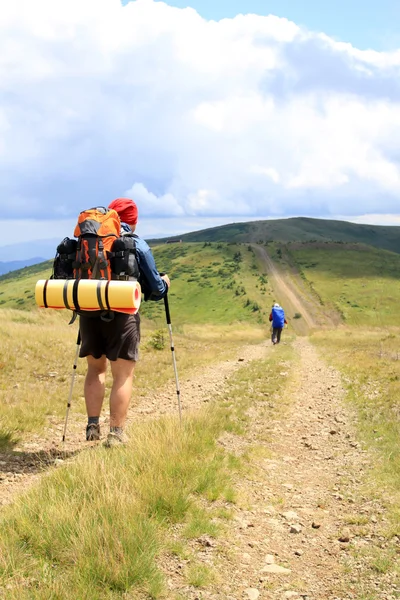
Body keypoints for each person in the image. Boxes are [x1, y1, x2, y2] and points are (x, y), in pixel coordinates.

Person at [80, 197, 170, 447]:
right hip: (122, 315)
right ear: (134, 220)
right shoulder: (135, 243)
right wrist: (165, 283)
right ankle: (116, 434)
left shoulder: (91, 240)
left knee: (95, 370)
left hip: (89, 310)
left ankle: (92, 426)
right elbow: (156, 288)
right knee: (122, 376)